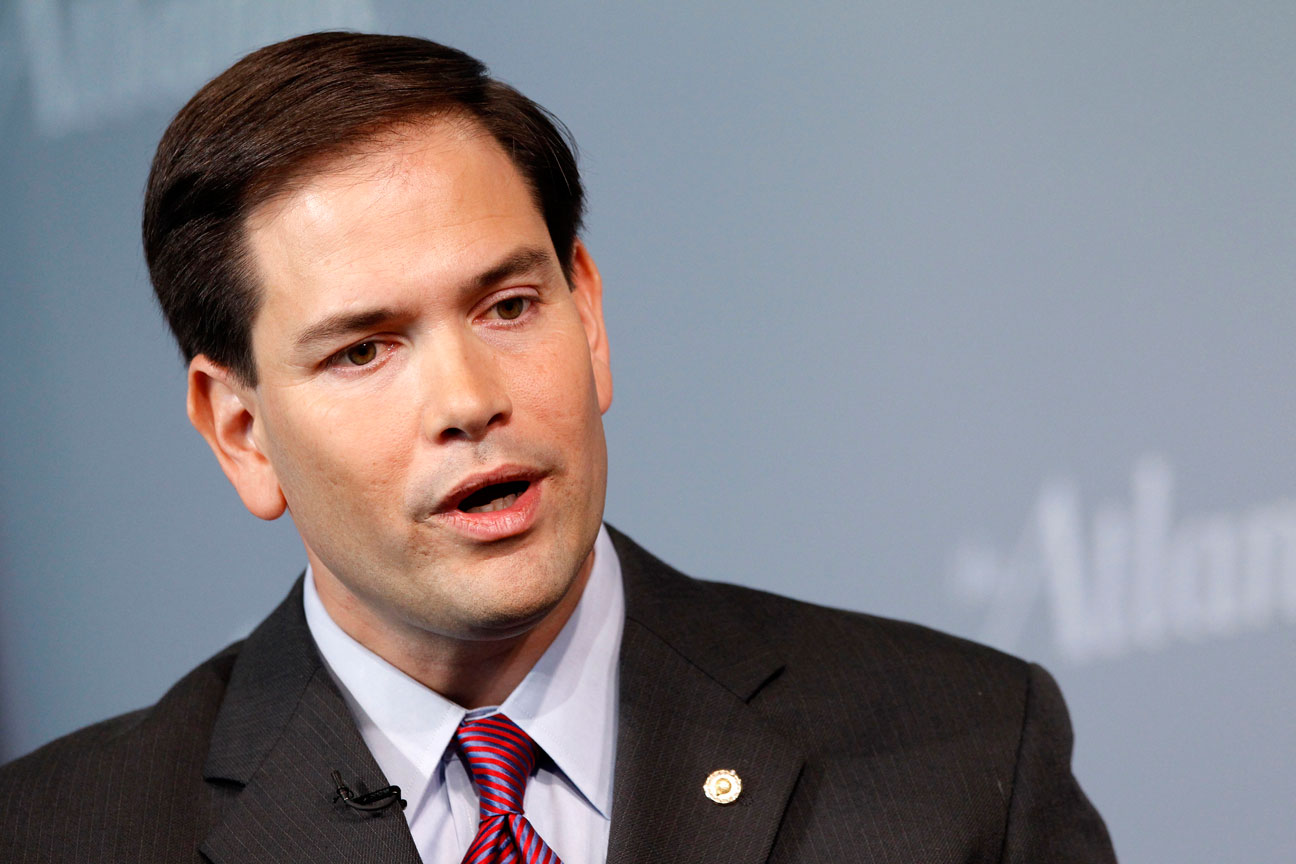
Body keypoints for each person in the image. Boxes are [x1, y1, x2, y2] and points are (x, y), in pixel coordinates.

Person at [0, 32, 1115, 863]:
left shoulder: (963, 753)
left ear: (588, 314)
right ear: (241, 433)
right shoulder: (61, 835)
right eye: (363, 351)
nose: (468, 400)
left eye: (507, 307)